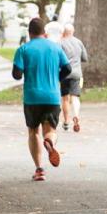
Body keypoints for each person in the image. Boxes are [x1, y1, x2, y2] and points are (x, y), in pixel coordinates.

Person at [12, 18, 71, 181]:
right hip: (52, 96)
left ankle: (39, 169)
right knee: (50, 130)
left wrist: (25, 71)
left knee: (33, 131)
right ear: (43, 32)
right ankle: (49, 141)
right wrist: (56, 78)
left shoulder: (23, 49)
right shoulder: (55, 47)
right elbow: (68, 68)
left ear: (29, 33)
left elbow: (16, 74)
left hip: (32, 98)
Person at [58, 25, 89, 133]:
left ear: (63, 32)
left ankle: (66, 122)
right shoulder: (79, 42)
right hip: (77, 74)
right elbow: (85, 58)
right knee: (75, 97)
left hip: (65, 74)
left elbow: (57, 59)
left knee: (65, 98)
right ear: (73, 31)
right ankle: (76, 116)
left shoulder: (60, 43)